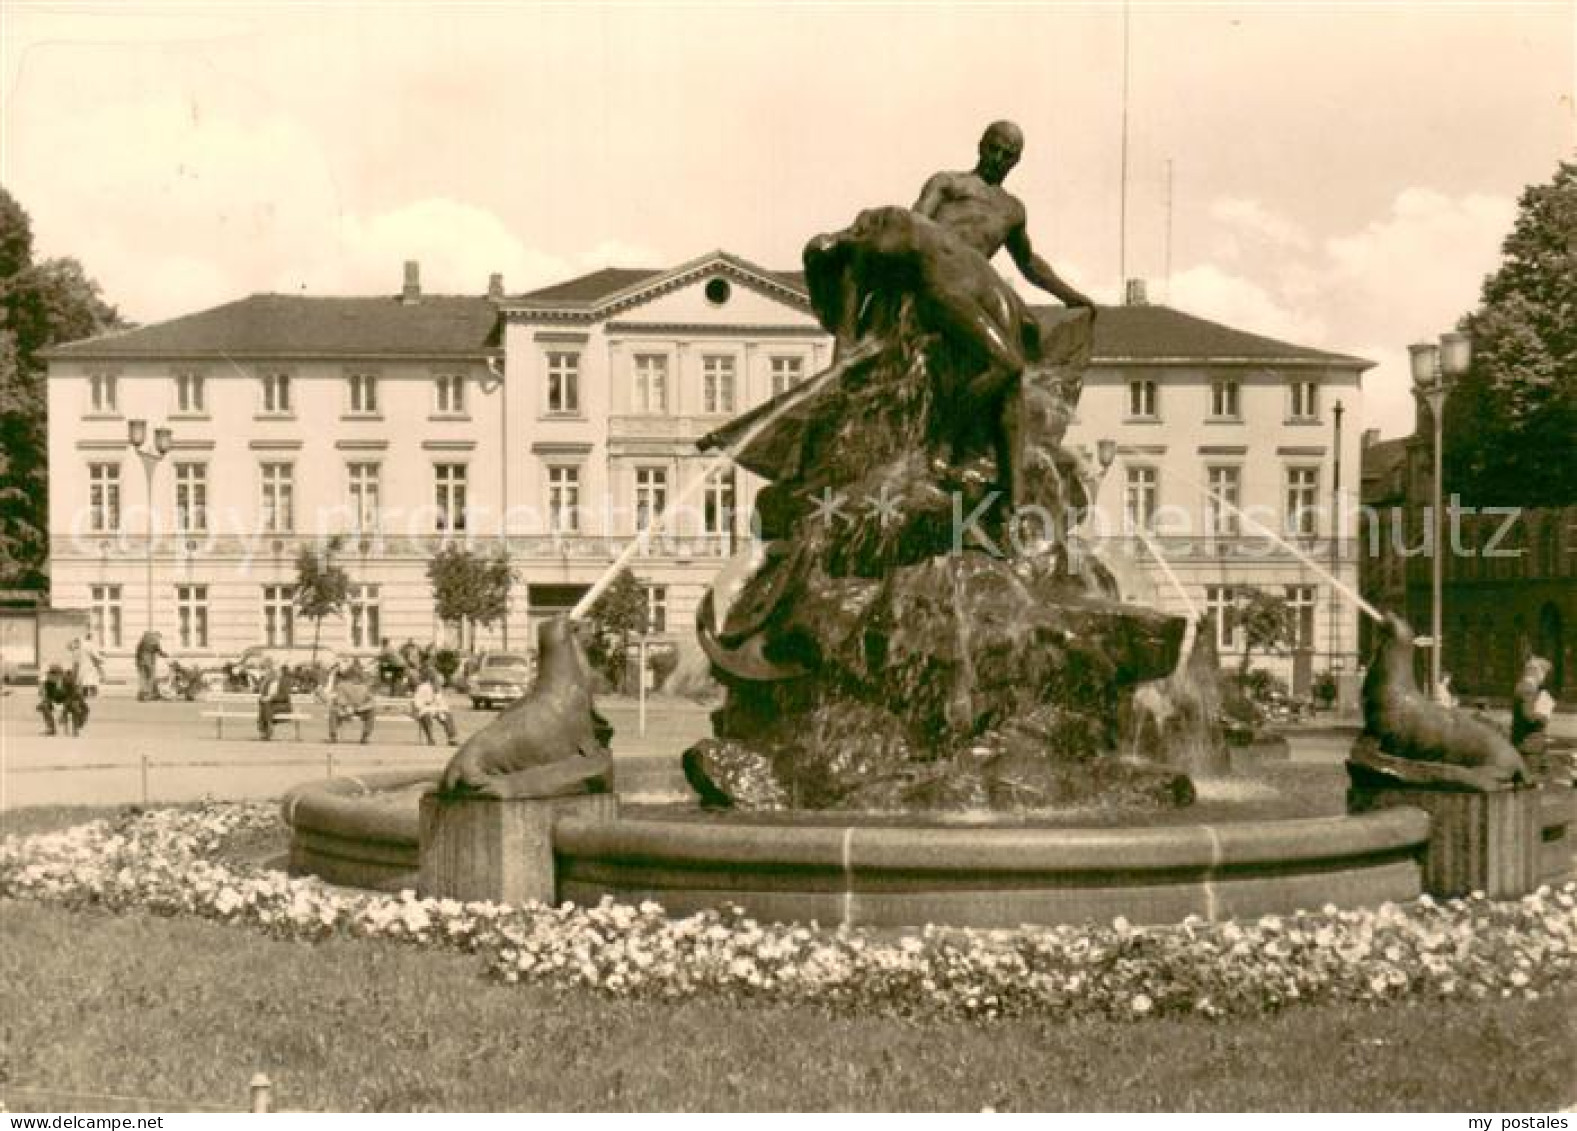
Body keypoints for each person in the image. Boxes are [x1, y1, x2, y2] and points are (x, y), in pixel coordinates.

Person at [323, 657, 376, 744]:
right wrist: (347, 707)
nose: (357, 676)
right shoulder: (343, 685)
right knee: (333, 710)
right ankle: (333, 736)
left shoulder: (364, 687)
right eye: (355, 674)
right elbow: (340, 700)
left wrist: (359, 708)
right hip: (347, 709)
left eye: (358, 674)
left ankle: (365, 736)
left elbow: (371, 702)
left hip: (358, 709)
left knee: (371, 711)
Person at [1512, 655, 1555, 761]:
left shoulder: (1527, 687)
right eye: (1544, 673)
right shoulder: (1528, 687)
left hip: (1527, 742)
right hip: (1528, 744)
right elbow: (1529, 716)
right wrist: (1544, 713)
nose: (1544, 677)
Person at [413, 666, 459, 746]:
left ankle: (452, 738)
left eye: (439, 683)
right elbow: (417, 701)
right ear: (432, 680)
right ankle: (430, 738)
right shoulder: (423, 687)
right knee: (426, 716)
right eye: (437, 681)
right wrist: (424, 705)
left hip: (436, 709)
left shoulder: (438, 690)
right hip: (424, 708)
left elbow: (441, 703)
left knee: (447, 715)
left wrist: (444, 710)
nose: (438, 684)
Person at [257, 662, 293, 741]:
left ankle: (265, 731)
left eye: (277, 671)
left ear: (280, 672)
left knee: (265, 706)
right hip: (270, 706)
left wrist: (271, 698)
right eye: (273, 671)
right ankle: (268, 730)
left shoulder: (285, 681)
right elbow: (262, 696)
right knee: (265, 705)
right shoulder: (268, 682)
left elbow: (284, 697)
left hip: (283, 706)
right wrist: (262, 699)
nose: (274, 672)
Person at [135, 630, 166, 701]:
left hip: (140, 661)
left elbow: (138, 651)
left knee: (142, 677)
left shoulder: (142, 641)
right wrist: (164, 655)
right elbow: (158, 650)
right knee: (150, 677)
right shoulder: (154, 640)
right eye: (159, 638)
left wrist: (137, 662)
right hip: (149, 661)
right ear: (157, 636)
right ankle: (147, 694)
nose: (159, 639)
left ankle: (142, 693)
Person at [37, 665, 68, 735]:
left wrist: (63, 713)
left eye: (55, 673)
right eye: (51, 673)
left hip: (64, 703)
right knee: (43, 705)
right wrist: (41, 686)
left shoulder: (65, 682)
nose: (51, 676)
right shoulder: (48, 683)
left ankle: (56, 726)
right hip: (54, 702)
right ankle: (51, 728)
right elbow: (43, 694)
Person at [72, 633, 104, 699]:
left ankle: (85, 694)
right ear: (91, 638)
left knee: (84, 681)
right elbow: (94, 654)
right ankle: (94, 694)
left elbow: (76, 655)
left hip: (82, 665)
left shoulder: (81, 645)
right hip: (89, 665)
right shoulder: (90, 645)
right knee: (92, 681)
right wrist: (101, 660)